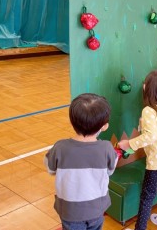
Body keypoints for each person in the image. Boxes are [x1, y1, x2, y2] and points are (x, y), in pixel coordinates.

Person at [44, 93, 118, 230]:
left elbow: (50, 169)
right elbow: (110, 171)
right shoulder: (107, 148)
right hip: (96, 209)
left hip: (70, 211)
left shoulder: (60, 147)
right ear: (105, 126)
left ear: (72, 122)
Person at [118, 70, 157, 230]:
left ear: (147, 88)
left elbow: (150, 136)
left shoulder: (148, 111)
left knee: (147, 198)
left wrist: (128, 144)